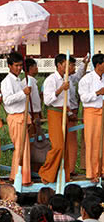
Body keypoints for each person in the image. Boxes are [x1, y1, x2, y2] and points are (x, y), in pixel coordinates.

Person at [39, 54, 72, 184]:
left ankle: (63, 174)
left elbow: (67, 101)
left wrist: (69, 114)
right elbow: (47, 100)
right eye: (66, 65)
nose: (68, 67)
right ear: (59, 65)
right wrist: (60, 90)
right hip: (54, 112)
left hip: (64, 112)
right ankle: (45, 172)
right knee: (57, 145)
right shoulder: (51, 80)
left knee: (65, 146)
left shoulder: (66, 79)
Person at [1, 52, 32, 186]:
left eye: (20, 65)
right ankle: (18, 176)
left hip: (22, 115)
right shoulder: (6, 81)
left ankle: (20, 175)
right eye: (16, 65)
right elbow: (7, 100)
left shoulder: (19, 80)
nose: (19, 68)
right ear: (9, 66)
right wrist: (22, 93)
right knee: (20, 147)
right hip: (15, 116)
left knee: (24, 147)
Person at [79, 53, 104, 183]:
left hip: (102, 110)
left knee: (102, 142)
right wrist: (98, 93)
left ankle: (102, 170)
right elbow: (83, 98)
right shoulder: (86, 79)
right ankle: (92, 172)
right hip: (91, 112)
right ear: (98, 65)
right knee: (92, 142)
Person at [67, 55, 89, 177]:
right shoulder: (59, 80)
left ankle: (71, 168)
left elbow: (78, 75)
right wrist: (70, 113)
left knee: (73, 142)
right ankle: (68, 169)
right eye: (72, 65)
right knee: (69, 142)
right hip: (68, 113)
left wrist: (84, 63)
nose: (73, 67)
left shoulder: (70, 78)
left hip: (73, 111)